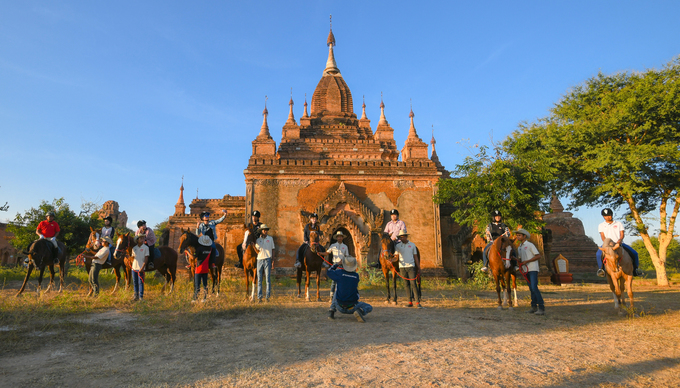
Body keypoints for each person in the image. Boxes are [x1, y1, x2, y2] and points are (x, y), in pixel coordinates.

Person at [596, 208, 642, 277]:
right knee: (598, 254)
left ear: (612, 215)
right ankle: (601, 269)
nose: (607, 217)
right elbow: (602, 235)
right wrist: (606, 243)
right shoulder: (601, 225)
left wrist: (620, 240)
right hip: (607, 245)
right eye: (605, 216)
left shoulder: (618, 223)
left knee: (635, 253)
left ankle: (636, 269)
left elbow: (622, 233)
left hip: (618, 244)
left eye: (609, 215)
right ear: (603, 217)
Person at [326, 256, 373, 322]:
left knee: (337, 291)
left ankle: (331, 311)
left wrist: (337, 264)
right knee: (369, 307)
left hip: (339, 306)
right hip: (352, 307)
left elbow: (328, 271)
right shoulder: (356, 276)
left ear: (343, 264)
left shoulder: (339, 273)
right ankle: (360, 311)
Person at [516, 229, 545, 315]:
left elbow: (538, 256)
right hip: (525, 270)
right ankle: (533, 306)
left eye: (519, 235)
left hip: (532, 269)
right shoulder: (519, 248)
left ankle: (541, 307)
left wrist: (527, 261)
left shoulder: (530, 245)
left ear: (524, 236)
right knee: (531, 288)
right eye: (517, 235)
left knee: (534, 287)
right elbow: (521, 259)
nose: (518, 237)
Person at [393, 230, 423, 308]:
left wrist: (418, 267)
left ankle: (417, 302)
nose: (401, 238)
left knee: (413, 284)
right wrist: (391, 260)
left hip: (411, 266)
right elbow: (396, 257)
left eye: (402, 237)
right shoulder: (398, 246)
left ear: (406, 236)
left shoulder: (412, 245)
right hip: (402, 267)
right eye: (400, 237)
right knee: (406, 285)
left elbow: (415, 256)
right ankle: (409, 302)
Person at [321, 231, 350, 300]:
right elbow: (327, 253)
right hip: (335, 264)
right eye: (338, 237)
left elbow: (347, 256)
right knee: (334, 280)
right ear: (337, 238)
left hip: (342, 265)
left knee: (342, 281)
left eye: (341, 236)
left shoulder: (345, 246)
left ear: (342, 238)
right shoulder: (333, 245)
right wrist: (320, 253)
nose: (339, 238)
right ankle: (331, 296)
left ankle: (340, 296)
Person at [254, 224, 275, 302]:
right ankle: (259, 297)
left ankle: (267, 297)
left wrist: (273, 260)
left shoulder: (270, 238)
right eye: (264, 230)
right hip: (259, 260)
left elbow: (273, 249)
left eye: (266, 230)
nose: (266, 231)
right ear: (261, 231)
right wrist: (253, 246)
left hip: (267, 259)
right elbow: (257, 251)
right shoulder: (258, 240)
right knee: (259, 279)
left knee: (267, 279)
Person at [193, 235, 213, 302]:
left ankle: (195, 298)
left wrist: (187, 252)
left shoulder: (199, 249)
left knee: (197, 285)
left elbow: (193, 257)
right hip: (206, 269)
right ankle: (204, 298)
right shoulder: (210, 249)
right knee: (205, 285)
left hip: (199, 269)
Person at [130, 234, 149, 301]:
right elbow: (133, 258)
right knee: (135, 282)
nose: (142, 239)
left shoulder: (146, 248)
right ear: (137, 240)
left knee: (140, 282)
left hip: (141, 268)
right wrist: (129, 258)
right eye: (140, 238)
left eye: (143, 238)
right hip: (134, 268)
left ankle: (141, 297)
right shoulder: (134, 248)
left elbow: (146, 258)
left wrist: (142, 268)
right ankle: (135, 296)